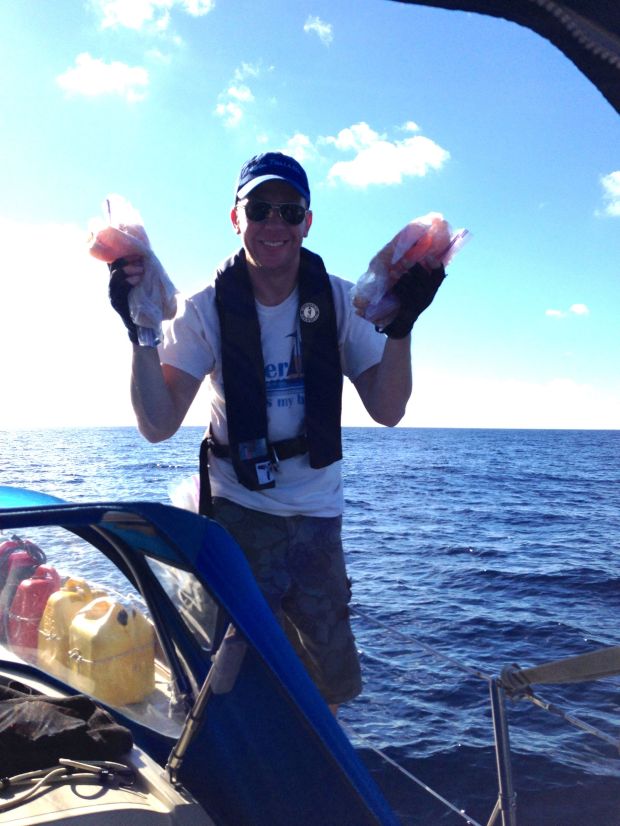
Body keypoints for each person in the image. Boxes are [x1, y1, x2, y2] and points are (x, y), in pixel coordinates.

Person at [108, 151, 445, 713]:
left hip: (317, 515)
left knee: (329, 675)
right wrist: (141, 329)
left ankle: (320, 765)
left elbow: (388, 408)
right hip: (238, 507)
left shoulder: (341, 301)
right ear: (235, 217)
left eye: (290, 211)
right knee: (221, 664)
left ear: (307, 223)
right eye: (259, 208)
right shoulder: (203, 308)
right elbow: (157, 425)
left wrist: (402, 328)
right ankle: (220, 755)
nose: (275, 223)